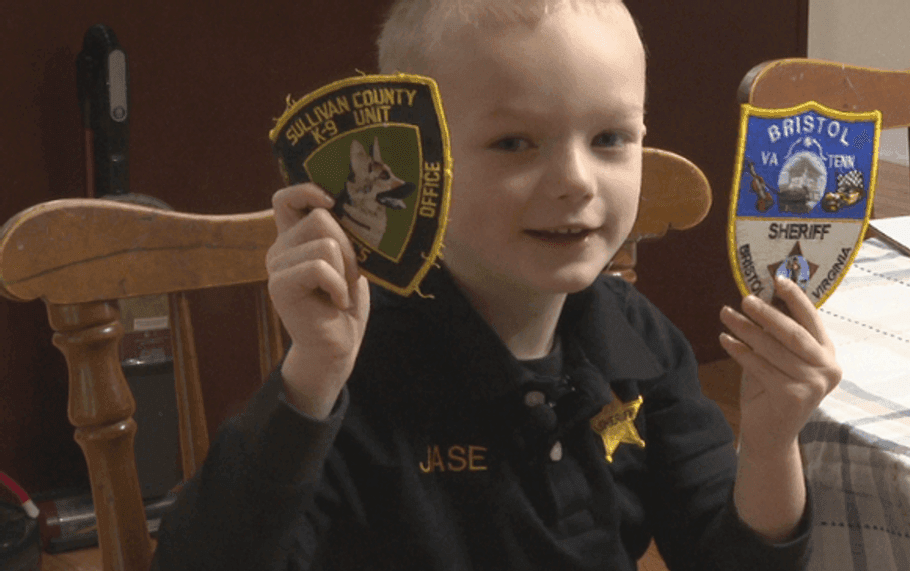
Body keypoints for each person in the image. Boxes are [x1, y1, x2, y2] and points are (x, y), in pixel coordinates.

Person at [154, 0, 841, 569]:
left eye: (609, 137)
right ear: (416, 161)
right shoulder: (354, 367)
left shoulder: (640, 343)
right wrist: (308, 382)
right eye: (514, 143)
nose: (576, 180)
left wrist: (773, 439)